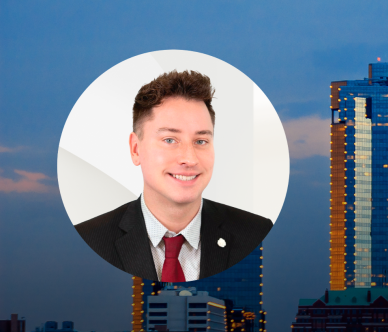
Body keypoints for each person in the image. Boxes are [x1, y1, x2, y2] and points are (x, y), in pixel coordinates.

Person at [75, 70, 272, 282]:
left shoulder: (258, 235)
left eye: (201, 141)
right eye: (170, 140)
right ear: (135, 149)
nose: (189, 158)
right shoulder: (88, 241)